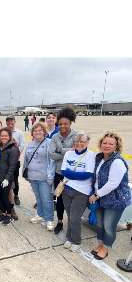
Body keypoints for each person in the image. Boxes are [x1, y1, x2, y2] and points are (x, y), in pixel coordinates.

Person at [89, 130, 131, 260]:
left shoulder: (117, 161)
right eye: (104, 142)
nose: (106, 145)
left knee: (109, 226)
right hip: (101, 199)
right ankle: (100, 245)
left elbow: (112, 184)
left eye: (110, 144)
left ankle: (105, 248)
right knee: (100, 224)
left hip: (115, 201)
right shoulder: (100, 158)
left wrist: (95, 195)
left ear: (116, 146)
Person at [61, 131, 95, 252]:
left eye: (82, 141)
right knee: (70, 216)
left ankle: (76, 241)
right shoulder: (68, 154)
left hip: (81, 192)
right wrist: (75, 174)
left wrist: (71, 174)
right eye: (77, 141)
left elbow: (87, 175)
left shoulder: (91, 155)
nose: (79, 143)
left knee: (75, 218)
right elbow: (63, 171)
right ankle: (69, 238)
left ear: (87, 143)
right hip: (67, 190)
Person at [49, 106, 78, 234]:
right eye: (60, 124)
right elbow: (52, 155)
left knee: (72, 201)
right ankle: (59, 222)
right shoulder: (55, 137)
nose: (62, 126)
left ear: (70, 123)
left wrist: (60, 150)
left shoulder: (77, 135)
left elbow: (78, 151)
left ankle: (72, 223)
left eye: (65, 124)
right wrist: (68, 151)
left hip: (73, 175)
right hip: (59, 173)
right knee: (59, 199)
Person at [23, 122, 56, 230]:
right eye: (35, 130)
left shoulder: (49, 142)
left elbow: (52, 161)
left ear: (44, 132)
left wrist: (50, 177)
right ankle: (40, 215)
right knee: (38, 198)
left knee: (47, 199)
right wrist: (25, 173)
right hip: (32, 176)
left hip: (44, 177)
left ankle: (49, 219)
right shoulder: (30, 144)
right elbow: (26, 159)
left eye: (39, 130)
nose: (37, 132)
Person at [0, 127, 18, 225]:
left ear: (9, 137)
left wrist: (7, 179)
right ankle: (3, 213)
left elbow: (12, 166)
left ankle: (9, 215)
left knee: (5, 197)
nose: (3, 137)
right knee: (0, 197)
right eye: (2, 136)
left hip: (6, 178)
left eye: (6, 136)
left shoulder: (13, 149)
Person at [6, 115, 25, 206]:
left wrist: (15, 156)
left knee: (15, 179)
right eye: (8, 121)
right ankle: (5, 195)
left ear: (14, 121)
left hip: (15, 161)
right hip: (5, 161)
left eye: (11, 120)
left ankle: (16, 195)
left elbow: (22, 145)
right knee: (5, 178)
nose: (10, 122)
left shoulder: (19, 133)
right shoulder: (4, 132)